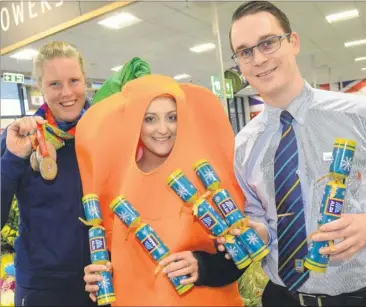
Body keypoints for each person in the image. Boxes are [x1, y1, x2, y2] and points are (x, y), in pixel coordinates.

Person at [218, 1, 366, 306]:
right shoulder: (244, 143)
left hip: (362, 297)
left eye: (268, 43)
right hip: (281, 297)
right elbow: (257, 215)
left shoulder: (365, 115)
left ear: (293, 42)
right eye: (245, 51)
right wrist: (255, 231)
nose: (258, 59)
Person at [77, 74, 246, 305]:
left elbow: (243, 253)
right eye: (150, 119)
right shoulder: (115, 186)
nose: (163, 129)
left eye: (172, 117)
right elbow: (114, 259)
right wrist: (99, 277)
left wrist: (203, 266)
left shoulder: (206, 174)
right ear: (135, 123)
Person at [1, 41, 95, 306]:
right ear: (39, 88)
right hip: (42, 287)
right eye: (54, 84)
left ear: (85, 81)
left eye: (74, 80)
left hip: (100, 280)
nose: (67, 93)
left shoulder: (102, 134)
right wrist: (12, 160)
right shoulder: (22, 138)